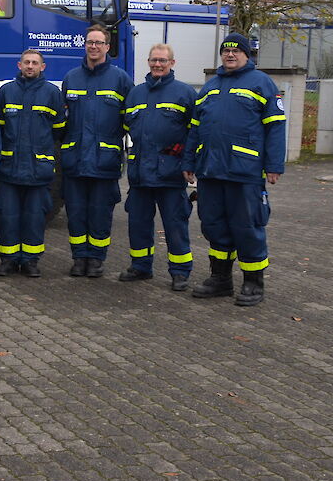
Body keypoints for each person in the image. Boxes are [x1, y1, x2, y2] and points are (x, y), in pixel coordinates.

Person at [183, 33, 286, 306]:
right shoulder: (209, 87)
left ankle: (253, 283)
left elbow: (276, 127)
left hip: (245, 171)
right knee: (214, 226)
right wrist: (189, 163)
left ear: (247, 54)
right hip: (211, 171)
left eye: (236, 51)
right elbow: (194, 130)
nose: (230, 55)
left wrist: (274, 165)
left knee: (247, 227)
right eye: (226, 51)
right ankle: (221, 280)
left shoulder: (262, 83)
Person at [120, 44, 197, 291]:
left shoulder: (185, 94)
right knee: (138, 223)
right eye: (154, 60)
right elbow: (126, 128)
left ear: (172, 63)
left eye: (163, 60)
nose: (158, 64)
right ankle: (141, 266)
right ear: (148, 62)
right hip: (141, 172)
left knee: (175, 225)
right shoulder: (135, 94)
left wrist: (189, 162)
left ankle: (180, 272)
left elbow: (195, 133)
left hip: (171, 172)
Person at [61, 24, 132, 277]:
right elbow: (62, 120)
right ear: (85, 45)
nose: (93, 47)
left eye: (98, 43)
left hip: (104, 160)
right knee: (76, 212)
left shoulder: (120, 79)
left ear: (107, 47)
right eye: (90, 42)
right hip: (76, 158)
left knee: (101, 213)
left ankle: (97, 259)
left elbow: (131, 118)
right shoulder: (71, 78)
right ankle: (79, 258)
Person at [0, 49, 65, 278]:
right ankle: (8, 260)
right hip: (10, 170)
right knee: (8, 218)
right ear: (19, 65)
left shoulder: (52, 93)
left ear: (42, 67)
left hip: (38, 170)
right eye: (27, 62)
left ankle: (31, 261)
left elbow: (58, 130)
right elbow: (0, 128)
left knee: (35, 218)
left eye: (35, 63)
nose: (30, 66)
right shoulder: (6, 92)